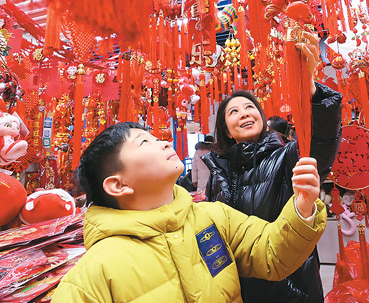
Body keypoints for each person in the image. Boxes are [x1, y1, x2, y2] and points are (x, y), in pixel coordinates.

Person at [52, 121, 327, 303]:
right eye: (144, 142)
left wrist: (302, 207)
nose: (164, 142)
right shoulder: (92, 274)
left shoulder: (214, 217)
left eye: (156, 138)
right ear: (118, 185)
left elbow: (272, 253)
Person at [202, 31, 342, 303]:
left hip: (290, 286)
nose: (244, 113)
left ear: (262, 118)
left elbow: (320, 140)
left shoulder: (286, 156)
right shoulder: (217, 171)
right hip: (237, 288)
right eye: (233, 111)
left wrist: (308, 88)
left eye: (249, 107)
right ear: (227, 130)